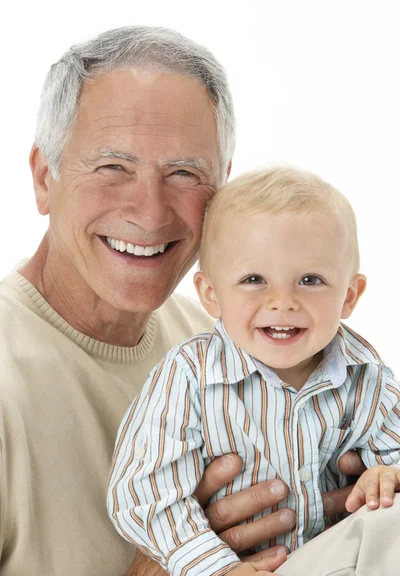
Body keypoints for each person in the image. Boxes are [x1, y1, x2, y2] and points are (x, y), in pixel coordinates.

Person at [0, 25, 379, 576]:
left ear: (223, 191)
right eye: (113, 167)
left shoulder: (233, 340)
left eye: (184, 173)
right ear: (43, 178)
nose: (150, 212)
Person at [108, 167, 400, 576]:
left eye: (310, 280)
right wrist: (217, 568)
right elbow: (144, 495)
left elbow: (393, 455)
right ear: (211, 294)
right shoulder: (189, 377)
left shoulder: (367, 375)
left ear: (349, 296)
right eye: (254, 279)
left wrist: (386, 475)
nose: (282, 301)